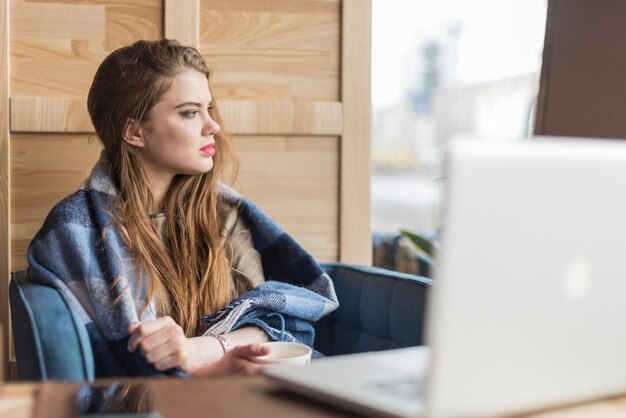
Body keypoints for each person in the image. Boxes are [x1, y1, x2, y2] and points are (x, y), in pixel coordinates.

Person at [27, 39, 338, 377]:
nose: (213, 126)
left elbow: (274, 321)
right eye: (190, 112)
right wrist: (210, 372)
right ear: (134, 131)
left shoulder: (223, 213)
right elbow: (111, 374)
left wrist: (202, 349)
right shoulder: (75, 230)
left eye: (209, 109)